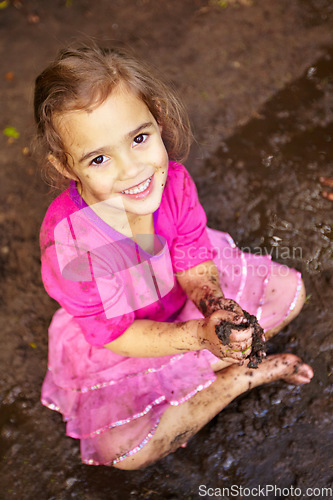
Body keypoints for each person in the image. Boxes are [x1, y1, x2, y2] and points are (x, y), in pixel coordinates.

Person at [35, 43, 313, 470]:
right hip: (128, 344)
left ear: (159, 119)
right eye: (100, 158)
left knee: (290, 295)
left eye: (140, 138)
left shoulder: (174, 183)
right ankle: (238, 381)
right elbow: (116, 334)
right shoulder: (70, 243)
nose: (133, 170)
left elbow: (194, 256)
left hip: (184, 305)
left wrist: (214, 307)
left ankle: (213, 369)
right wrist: (200, 338)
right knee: (124, 455)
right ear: (68, 167)